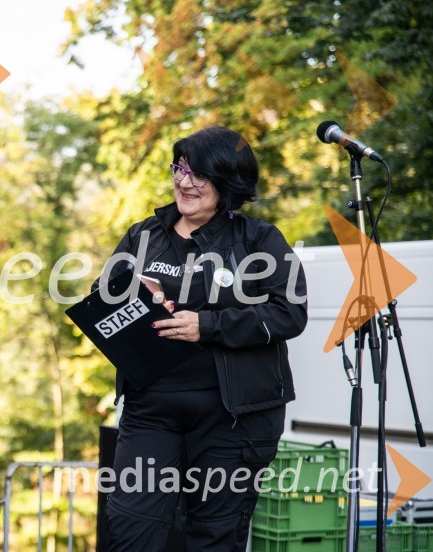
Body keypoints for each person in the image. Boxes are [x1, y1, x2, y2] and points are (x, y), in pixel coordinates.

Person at [99, 126, 308, 551]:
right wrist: (138, 299)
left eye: (199, 174)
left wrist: (208, 326)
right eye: (180, 168)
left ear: (228, 181)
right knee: (131, 531)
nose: (184, 181)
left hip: (233, 420)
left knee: (216, 539)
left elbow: (290, 311)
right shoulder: (144, 236)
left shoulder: (259, 240)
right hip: (150, 412)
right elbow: (103, 305)